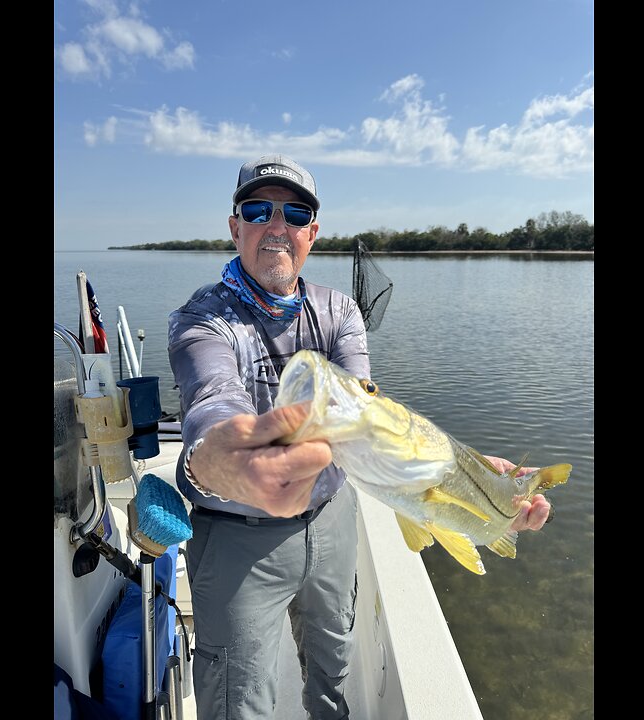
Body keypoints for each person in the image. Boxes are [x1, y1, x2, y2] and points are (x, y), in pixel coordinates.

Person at [167, 154, 551, 719]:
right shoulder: (201, 320)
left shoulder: (339, 310)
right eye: (258, 209)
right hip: (236, 536)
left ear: (312, 234)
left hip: (331, 522)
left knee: (333, 667)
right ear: (234, 225)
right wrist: (227, 461)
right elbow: (212, 404)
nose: (277, 226)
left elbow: (367, 406)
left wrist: (461, 473)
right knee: (236, 698)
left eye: (295, 214)